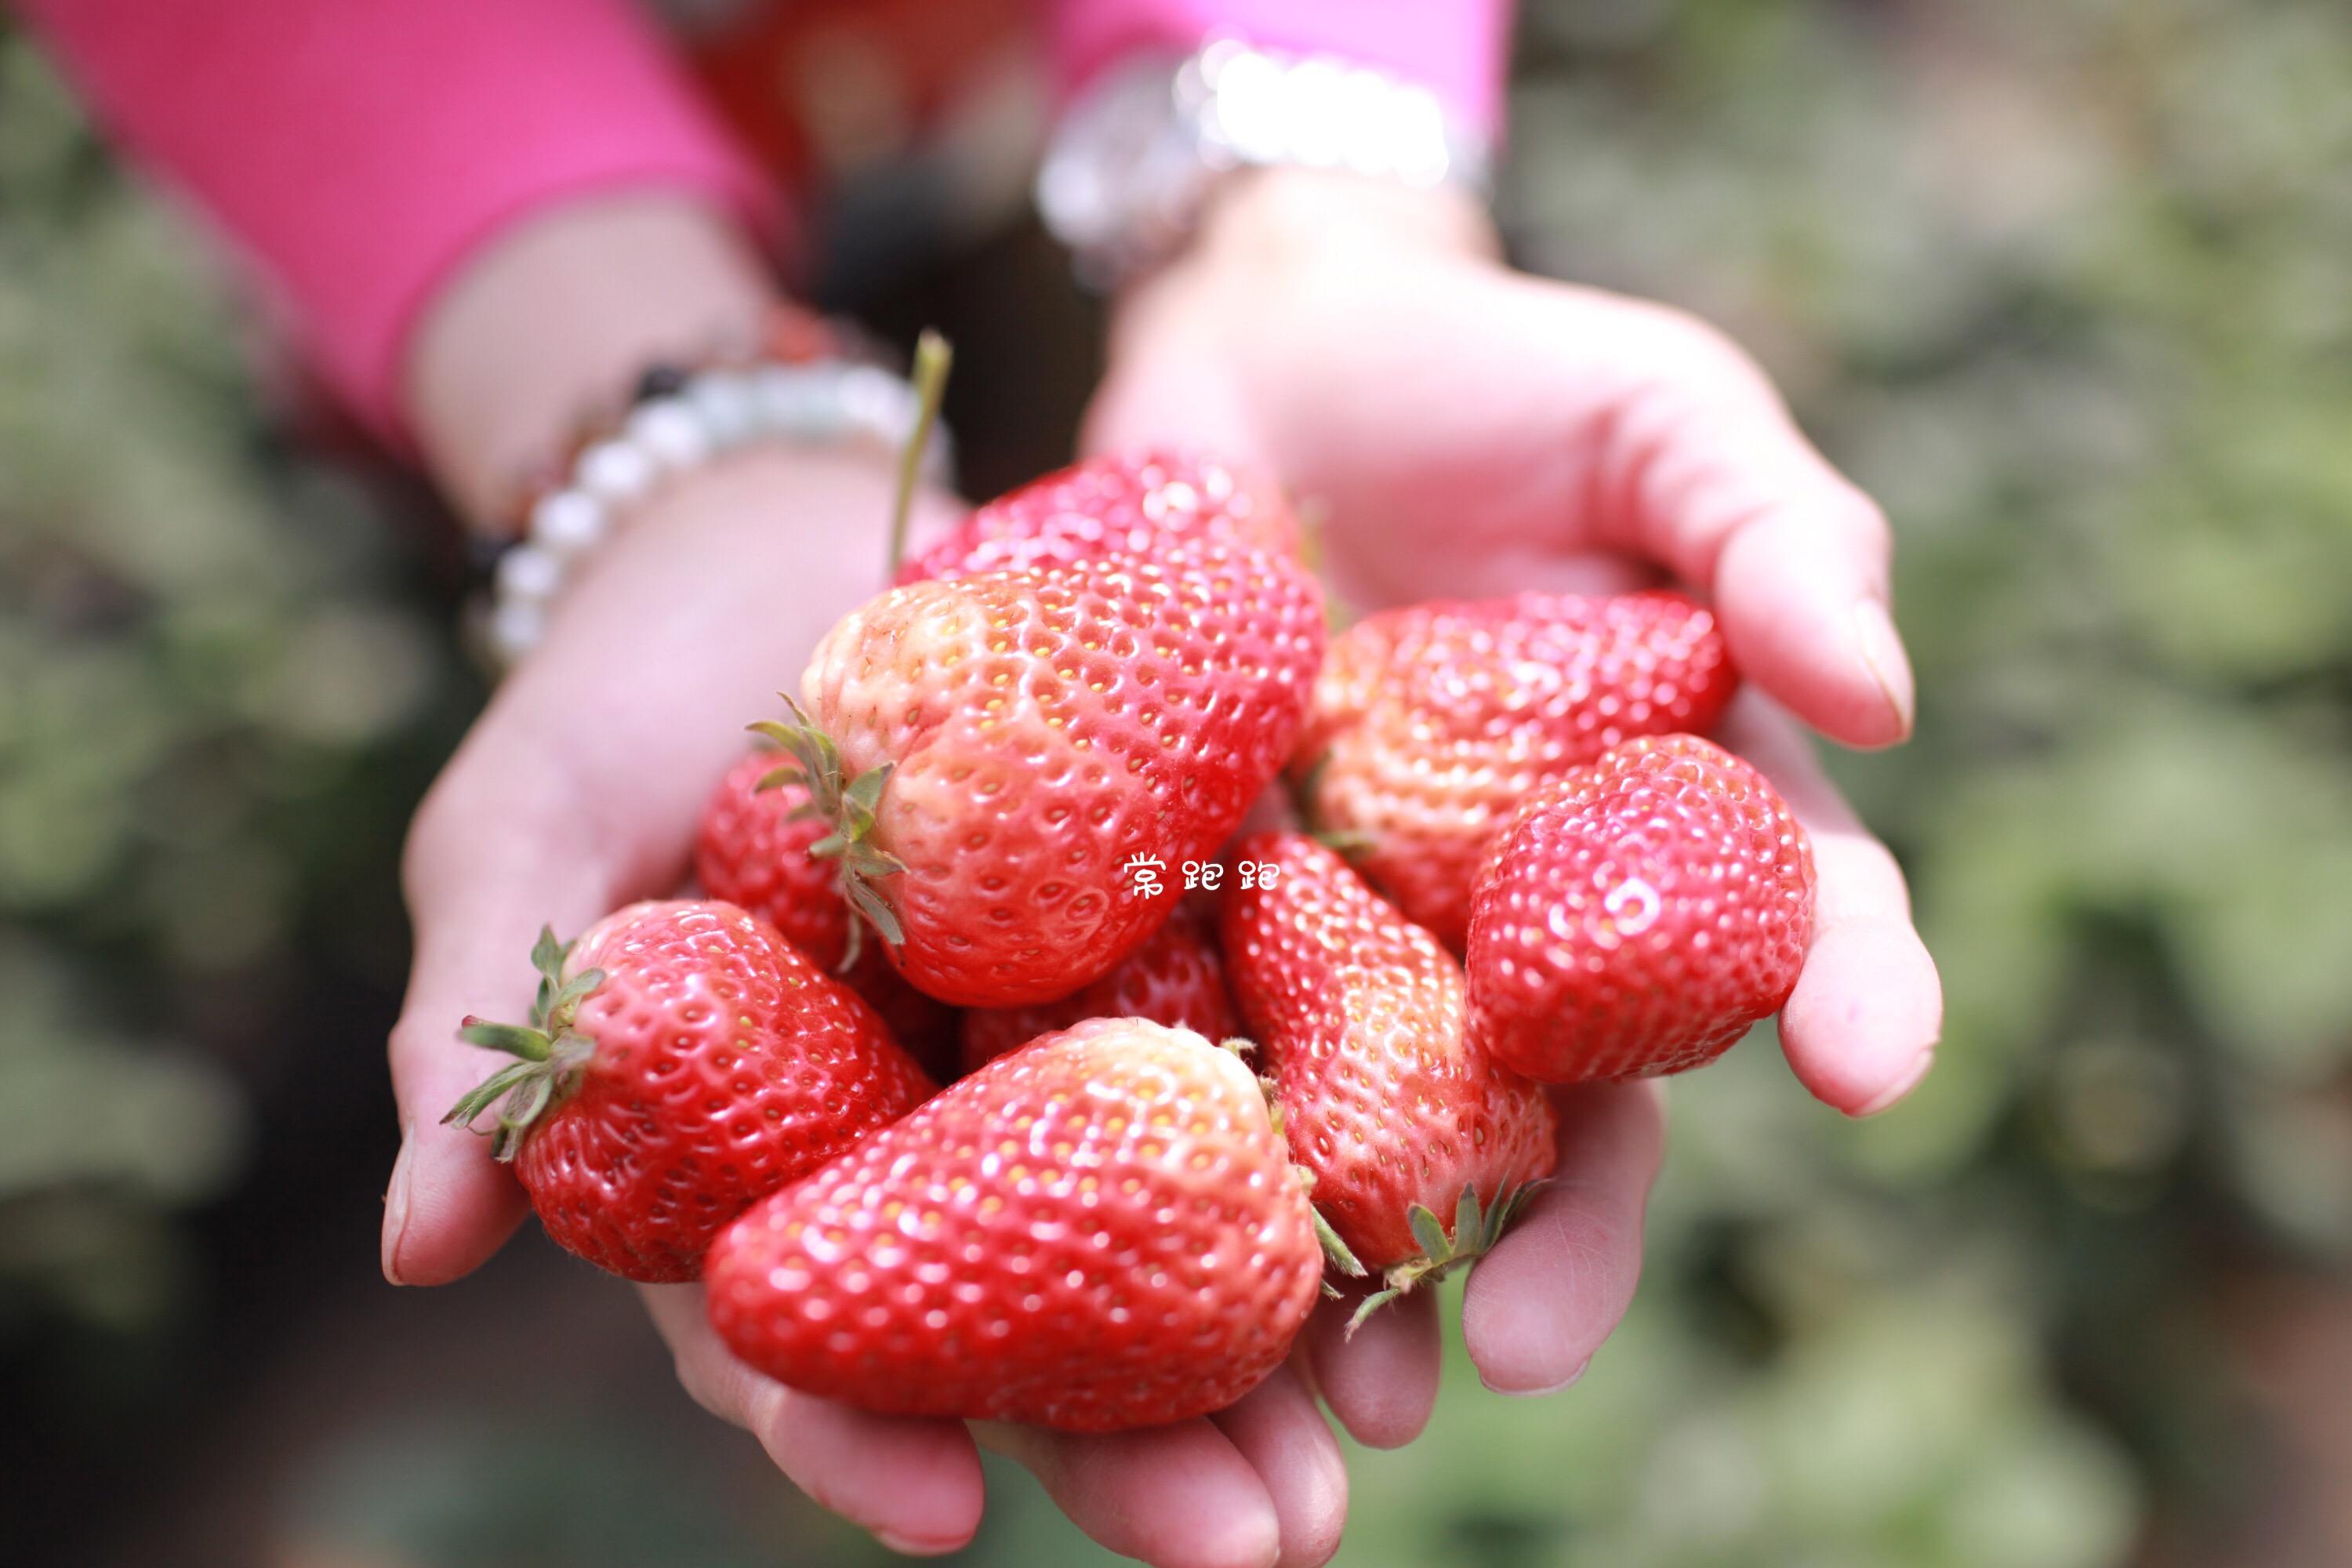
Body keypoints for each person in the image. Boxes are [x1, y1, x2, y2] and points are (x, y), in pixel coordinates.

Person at [18, 3, 1942, 1565]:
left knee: (1046, 448)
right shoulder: (1007, 831)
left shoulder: (1150, 792)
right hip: (479, 136)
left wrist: (1307, 214)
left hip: (1015, 106)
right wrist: (641, 421)